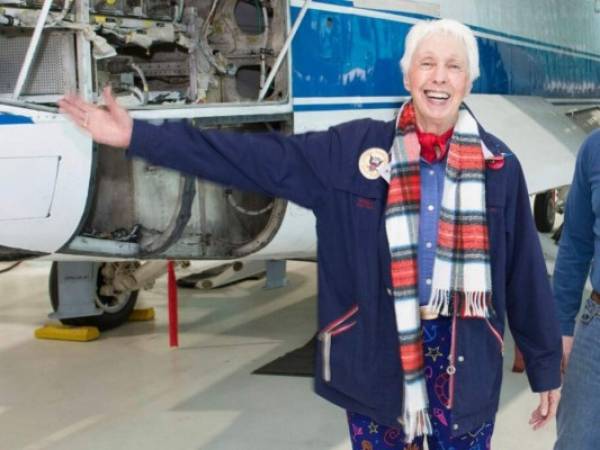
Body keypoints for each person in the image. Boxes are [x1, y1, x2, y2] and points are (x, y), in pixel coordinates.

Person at [59, 18, 561, 450]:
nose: (439, 78)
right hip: (374, 356)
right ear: (407, 74)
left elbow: (524, 276)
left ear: (468, 82)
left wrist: (544, 368)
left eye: (453, 66)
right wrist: (137, 136)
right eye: (427, 63)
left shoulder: (498, 165)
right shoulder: (351, 150)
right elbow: (252, 160)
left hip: (465, 355)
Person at [553, 132, 600, 450]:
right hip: (596, 330)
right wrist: (562, 325)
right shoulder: (595, 148)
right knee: (576, 442)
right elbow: (575, 242)